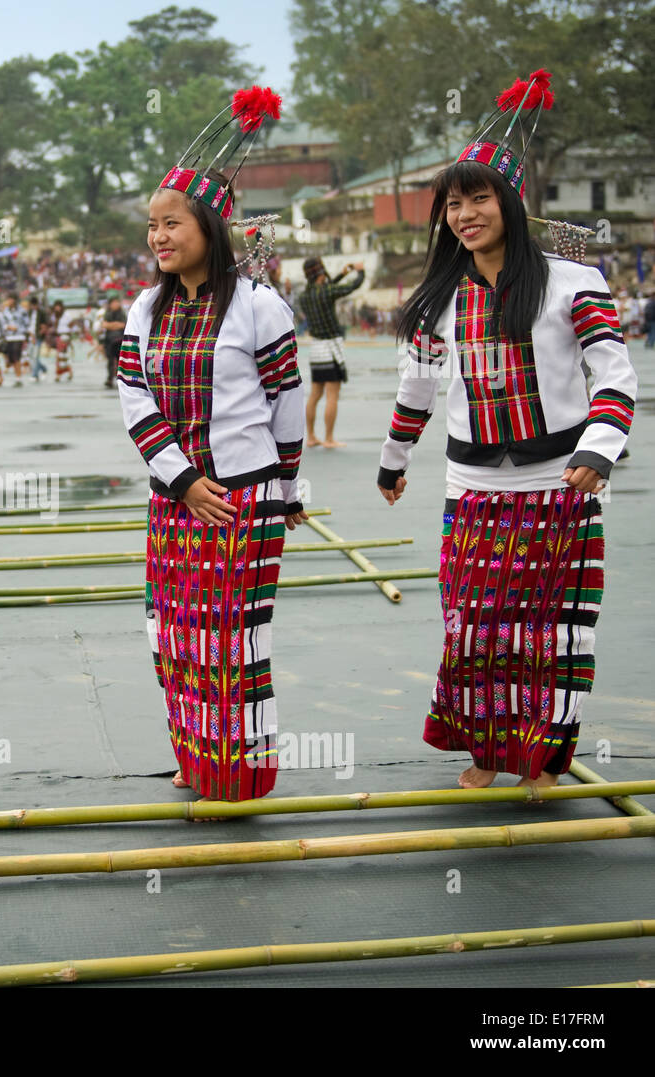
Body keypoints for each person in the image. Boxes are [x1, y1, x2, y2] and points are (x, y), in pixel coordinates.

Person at [377, 69, 637, 792]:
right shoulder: (438, 300)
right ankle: (487, 752)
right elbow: (417, 389)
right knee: (474, 629)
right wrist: (393, 461)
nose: (465, 214)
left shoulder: (573, 282)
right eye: (453, 203)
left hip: (561, 484)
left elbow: (614, 377)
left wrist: (598, 450)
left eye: (479, 198)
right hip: (475, 490)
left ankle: (543, 761)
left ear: (512, 203)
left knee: (554, 634)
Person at [119, 85, 305, 803]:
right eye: (152, 226)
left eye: (172, 223)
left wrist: (284, 492)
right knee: (172, 637)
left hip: (243, 498)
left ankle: (240, 773)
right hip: (176, 498)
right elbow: (133, 396)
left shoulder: (260, 304)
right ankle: (199, 755)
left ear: (210, 224)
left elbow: (285, 404)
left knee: (231, 639)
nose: (158, 237)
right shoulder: (145, 305)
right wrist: (180, 478)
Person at [298, 256, 364, 447]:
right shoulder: (326, 291)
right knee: (332, 395)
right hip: (331, 349)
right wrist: (360, 271)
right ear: (321, 272)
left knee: (315, 394)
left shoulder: (305, 296)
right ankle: (328, 438)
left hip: (316, 349)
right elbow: (351, 287)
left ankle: (310, 436)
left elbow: (326, 290)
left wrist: (341, 274)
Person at [0, 293, 28, 385]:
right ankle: (17, 375)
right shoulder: (5, 312)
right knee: (11, 359)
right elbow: (2, 324)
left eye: (10, 299)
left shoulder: (22, 311)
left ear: (14, 300)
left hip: (19, 336)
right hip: (9, 337)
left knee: (16, 356)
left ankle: (18, 378)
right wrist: (7, 327)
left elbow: (26, 324)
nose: (9, 301)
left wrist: (18, 328)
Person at [100, 294, 126, 388]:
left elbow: (123, 325)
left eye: (117, 302)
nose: (115, 304)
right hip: (109, 340)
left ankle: (121, 379)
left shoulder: (122, 313)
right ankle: (110, 378)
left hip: (120, 340)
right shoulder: (107, 313)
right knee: (110, 361)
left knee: (121, 361)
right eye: (113, 302)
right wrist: (115, 324)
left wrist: (111, 325)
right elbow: (104, 325)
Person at [27, 296, 48, 381]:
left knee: (35, 356)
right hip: (30, 336)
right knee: (31, 355)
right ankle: (43, 368)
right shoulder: (30, 312)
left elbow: (44, 326)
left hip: (38, 337)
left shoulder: (42, 312)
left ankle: (35, 375)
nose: (33, 307)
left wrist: (37, 336)